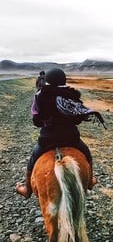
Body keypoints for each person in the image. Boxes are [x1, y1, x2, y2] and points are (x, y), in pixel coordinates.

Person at [16, 68, 100, 199]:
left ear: (47, 81)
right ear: (64, 81)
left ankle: (27, 189)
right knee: (86, 154)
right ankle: (89, 182)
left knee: (33, 159)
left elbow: (36, 120)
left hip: (47, 139)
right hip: (71, 138)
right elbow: (77, 118)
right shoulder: (72, 95)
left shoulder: (40, 96)